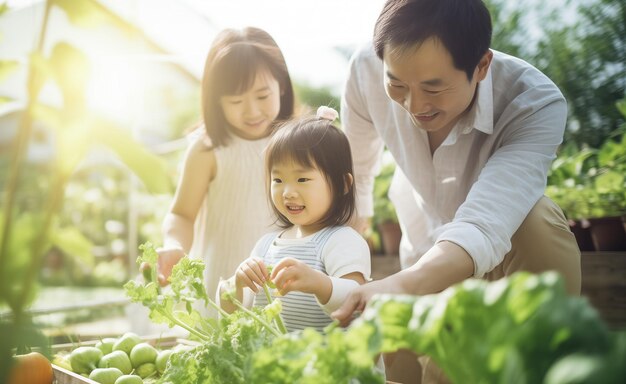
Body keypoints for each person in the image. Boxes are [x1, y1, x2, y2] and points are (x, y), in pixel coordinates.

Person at [334, 0, 581, 343]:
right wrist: (344, 257)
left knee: (539, 218)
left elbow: (484, 224)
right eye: (398, 86)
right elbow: (356, 175)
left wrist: (399, 286)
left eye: (434, 89)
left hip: (503, 262)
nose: (414, 107)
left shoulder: (533, 103)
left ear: (481, 66)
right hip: (420, 256)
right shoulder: (365, 70)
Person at [153, 27, 295, 306]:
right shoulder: (208, 150)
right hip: (220, 293)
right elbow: (181, 214)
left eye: (263, 96)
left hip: (283, 292)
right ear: (216, 101)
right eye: (236, 101)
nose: (252, 111)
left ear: (281, 85)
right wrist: (174, 245)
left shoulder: (298, 143)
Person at [218, 107, 371, 332]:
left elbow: (357, 301)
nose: (287, 191)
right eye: (278, 179)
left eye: (302, 178)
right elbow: (235, 315)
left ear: (342, 185)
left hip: (322, 364)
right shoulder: (265, 245)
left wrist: (320, 285)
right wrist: (236, 284)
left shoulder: (342, 240)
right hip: (273, 365)